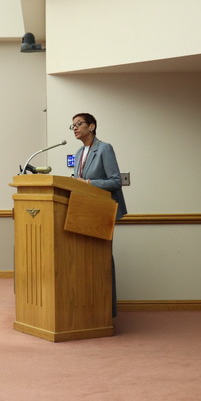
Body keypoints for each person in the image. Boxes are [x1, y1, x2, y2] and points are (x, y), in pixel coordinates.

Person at [71, 112, 127, 317]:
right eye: (73, 126)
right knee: (86, 260)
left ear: (92, 126)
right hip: (84, 210)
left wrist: (87, 183)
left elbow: (115, 181)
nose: (75, 128)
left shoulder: (104, 148)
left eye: (79, 124)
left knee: (101, 259)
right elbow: (77, 179)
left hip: (102, 211)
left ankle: (106, 310)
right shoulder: (78, 152)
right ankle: (89, 309)